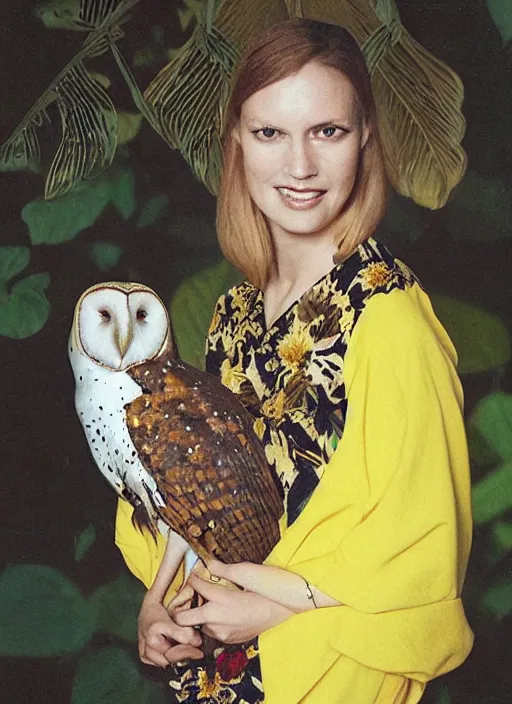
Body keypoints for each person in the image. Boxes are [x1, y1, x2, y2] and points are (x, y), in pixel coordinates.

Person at [114, 18, 474, 703]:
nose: (300, 166)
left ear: (366, 136)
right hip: (219, 680)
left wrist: (275, 607)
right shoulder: (233, 318)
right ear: (237, 145)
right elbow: (201, 497)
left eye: (327, 132)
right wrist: (160, 601)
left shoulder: (389, 319)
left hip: (327, 678)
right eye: (270, 133)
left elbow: (422, 554)